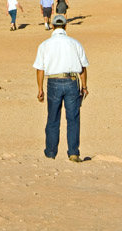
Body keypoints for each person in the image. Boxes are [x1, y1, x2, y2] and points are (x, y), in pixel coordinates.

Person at [33, 14, 89, 161]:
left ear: (52, 26)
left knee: (53, 119)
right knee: (73, 118)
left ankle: (50, 153)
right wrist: (84, 86)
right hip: (72, 81)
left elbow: (40, 69)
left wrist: (40, 89)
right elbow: (83, 67)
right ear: (65, 26)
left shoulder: (45, 44)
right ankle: (73, 152)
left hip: (53, 82)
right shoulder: (75, 43)